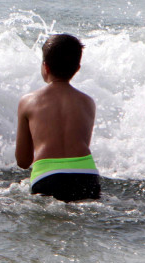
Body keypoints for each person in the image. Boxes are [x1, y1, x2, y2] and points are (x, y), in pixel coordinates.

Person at [15, 33, 100, 202]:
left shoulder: (28, 102)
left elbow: (23, 161)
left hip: (47, 176)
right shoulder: (88, 102)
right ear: (77, 69)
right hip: (86, 175)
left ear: (45, 67)